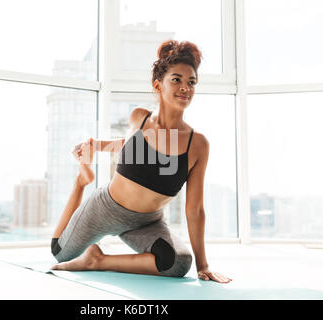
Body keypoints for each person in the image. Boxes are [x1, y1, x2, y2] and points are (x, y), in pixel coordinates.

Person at [50, 40, 232, 283]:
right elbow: (132, 145)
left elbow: (195, 210)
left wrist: (203, 265)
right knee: (60, 253)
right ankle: (82, 182)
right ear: (158, 85)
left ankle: (98, 260)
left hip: (148, 222)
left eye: (191, 82)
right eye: (176, 79)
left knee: (178, 263)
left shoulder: (198, 144)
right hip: (105, 208)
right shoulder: (139, 117)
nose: (185, 88)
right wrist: (98, 146)